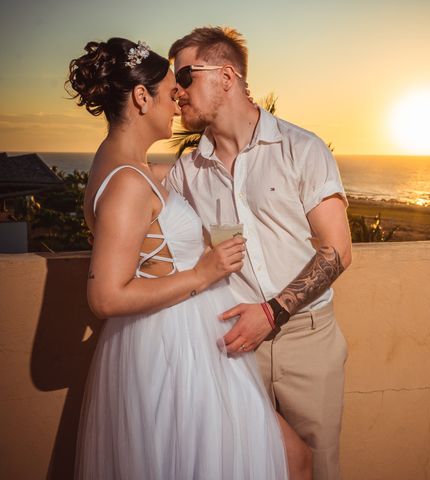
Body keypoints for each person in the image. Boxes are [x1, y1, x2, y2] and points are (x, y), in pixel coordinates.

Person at [68, 37, 306, 479]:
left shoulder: (131, 167)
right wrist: (203, 272)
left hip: (182, 340)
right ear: (141, 97)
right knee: (283, 460)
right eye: (167, 89)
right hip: (179, 351)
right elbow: (104, 297)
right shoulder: (125, 181)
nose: (177, 101)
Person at [166, 27, 353, 479]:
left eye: (186, 76)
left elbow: (338, 251)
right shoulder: (185, 173)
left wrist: (271, 314)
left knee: (318, 467)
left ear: (227, 76)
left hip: (307, 340)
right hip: (231, 348)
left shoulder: (301, 148)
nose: (176, 91)